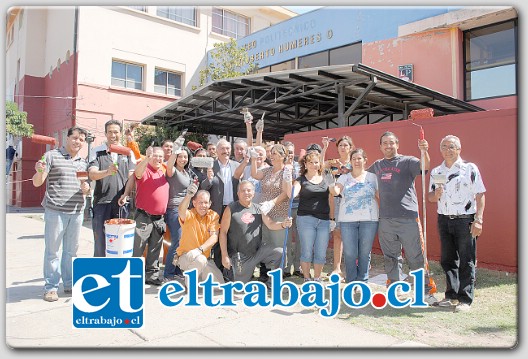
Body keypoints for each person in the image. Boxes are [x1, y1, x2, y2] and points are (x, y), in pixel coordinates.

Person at [367, 131, 437, 304]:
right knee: (390, 256)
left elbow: (424, 167)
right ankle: (394, 289)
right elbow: (361, 175)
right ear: (380, 146)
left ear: (397, 144)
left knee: (416, 256)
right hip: (386, 219)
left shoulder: (408, 161)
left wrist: (424, 151)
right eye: (385, 143)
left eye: (391, 143)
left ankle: (426, 291)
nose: (388, 146)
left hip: (408, 218)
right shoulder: (377, 165)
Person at [32, 127, 90, 302]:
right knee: (52, 252)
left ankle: (70, 284)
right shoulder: (51, 156)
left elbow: (85, 188)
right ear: (67, 138)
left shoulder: (83, 162)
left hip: (77, 211)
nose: (77, 141)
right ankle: (51, 287)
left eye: (81, 139)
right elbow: (37, 182)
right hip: (55, 211)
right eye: (74, 138)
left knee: (71, 252)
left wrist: (87, 189)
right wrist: (39, 171)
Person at [428, 135, 486, 312]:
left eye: (451, 146)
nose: (448, 150)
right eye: (444, 146)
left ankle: (465, 299)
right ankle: (451, 296)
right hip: (444, 220)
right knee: (448, 259)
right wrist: (435, 195)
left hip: (465, 220)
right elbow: (430, 198)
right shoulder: (437, 171)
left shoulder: (469, 168)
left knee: (466, 259)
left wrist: (479, 219)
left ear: (459, 149)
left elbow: (480, 194)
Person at [219, 181, 292, 284]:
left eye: (249, 190)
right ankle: (234, 274)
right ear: (238, 193)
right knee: (239, 287)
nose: (246, 193)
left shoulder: (258, 208)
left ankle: (273, 283)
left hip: (257, 252)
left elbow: (270, 224)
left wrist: (283, 224)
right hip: (239, 256)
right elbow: (223, 232)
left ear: (253, 193)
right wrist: (224, 255)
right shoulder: (231, 208)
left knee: (279, 252)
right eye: (243, 190)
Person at [88, 119, 135, 257]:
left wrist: (126, 194)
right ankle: (101, 273)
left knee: (120, 242)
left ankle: (117, 274)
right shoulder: (97, 151)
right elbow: (92, 173)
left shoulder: (127, 152)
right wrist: (107, 172)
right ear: (105, 133)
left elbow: (131, 176)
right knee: (101, 242)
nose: (113, 135)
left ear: (120, 133)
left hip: (121, 203)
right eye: (110, 132)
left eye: (116, 132)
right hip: (102, 203)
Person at [331, 148, 379, 283]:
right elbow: (337, 189)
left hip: (369, 220)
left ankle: (363, 281)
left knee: (364, 253)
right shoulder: (344, 177)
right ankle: (351, 281)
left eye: (359, 158)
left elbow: (379, 196)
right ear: (350, 162)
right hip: (347, 221)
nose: (357, 161)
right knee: (350, 253)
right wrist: (333, 189)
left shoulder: (372, 177)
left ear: (365, 160)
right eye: (354, 159)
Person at [128, 146, 169, 286]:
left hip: (159, 218)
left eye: (160, 156)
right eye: (155, 156)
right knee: (137, 247)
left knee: (154, 249)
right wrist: (146, 158)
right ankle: (131, 275)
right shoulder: (144, 169)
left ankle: (152, 276)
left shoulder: (162, 172)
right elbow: (137, 174)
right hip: (144, 217)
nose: (158, 159)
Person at [289, 149, 332, 282]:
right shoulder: (300, 179)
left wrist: (332, 219)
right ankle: (307, 279)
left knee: (320, 252)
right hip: (306, 219)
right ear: (305, 164)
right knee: (307, 251)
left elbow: (332, 196)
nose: (314, 165)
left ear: (320, 164)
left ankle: (317, 278)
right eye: (311, 162)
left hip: (324, 220)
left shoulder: (326, 178)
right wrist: (292, 190)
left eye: (316, 162)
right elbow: (294, 192)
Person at [250, 143, 291, 281]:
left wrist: (272, 202)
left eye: (274, 154)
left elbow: (286, 193)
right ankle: (269, 275)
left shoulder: (286, 171)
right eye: (271, 153)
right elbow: (254, 174)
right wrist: (254, 159)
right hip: (265, 213)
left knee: (278, 246)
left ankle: (277, 277)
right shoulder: (267, 170)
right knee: (266, 245)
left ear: (282, 156)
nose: (271, 156)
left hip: (279, 212)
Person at [200, 138, 239, 272]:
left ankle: (231, 269)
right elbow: (203, 187)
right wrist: (209, 179)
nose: (225, 151)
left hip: (233, 208)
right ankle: (218, 270)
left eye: (227, 148)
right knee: (216, 240)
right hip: (217, 209)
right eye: (222, 148)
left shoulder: (236, 165)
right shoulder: (211, 166)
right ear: (216, 151)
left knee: (232, 238)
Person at [175, 184, 224, 285]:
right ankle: (189, 285)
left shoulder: (213, 216)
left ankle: (196, 276)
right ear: (194, 203)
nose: (203, 205)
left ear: (210, 204)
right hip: (186, 256)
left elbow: (214, 237)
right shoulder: (189, 214)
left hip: (203, 256)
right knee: (200, 260)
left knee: (219, 285)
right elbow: (181, 210)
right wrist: (188, 195)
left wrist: (199, 250)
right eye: (200, 202)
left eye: (206, 202)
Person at [163, 146, 197, 281]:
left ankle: (177, 270)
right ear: (176, 157)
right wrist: (175, 150)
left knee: (183, 242)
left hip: (186, 210)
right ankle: (168, 274)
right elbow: (169, 165)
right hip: (174, 210)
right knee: (177, 242)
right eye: (180, 156)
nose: (183, 159)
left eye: (185, 156)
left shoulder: (187, 172)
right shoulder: (173, 172)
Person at [324, 135, 355, 278]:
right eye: (340, 145)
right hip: (335, 201)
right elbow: (320, 167)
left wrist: (343, 169)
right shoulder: (332, 163)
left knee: (352, 235)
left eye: (346, 145)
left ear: (350, 148)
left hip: (352, 202)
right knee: (337, 234)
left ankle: (353, 266)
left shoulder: (355, 162)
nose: (343, 148)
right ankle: (337, 268)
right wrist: (324, 148)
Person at [282, 140, 302, 278]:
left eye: (292, 152)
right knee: (287, 240)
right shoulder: (280, 167)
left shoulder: (299, 167)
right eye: (287, 152)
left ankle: (297, 266)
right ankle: (286, 267)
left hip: (299, 206)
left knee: (300, 239)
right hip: (285, 208)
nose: (290, 155)